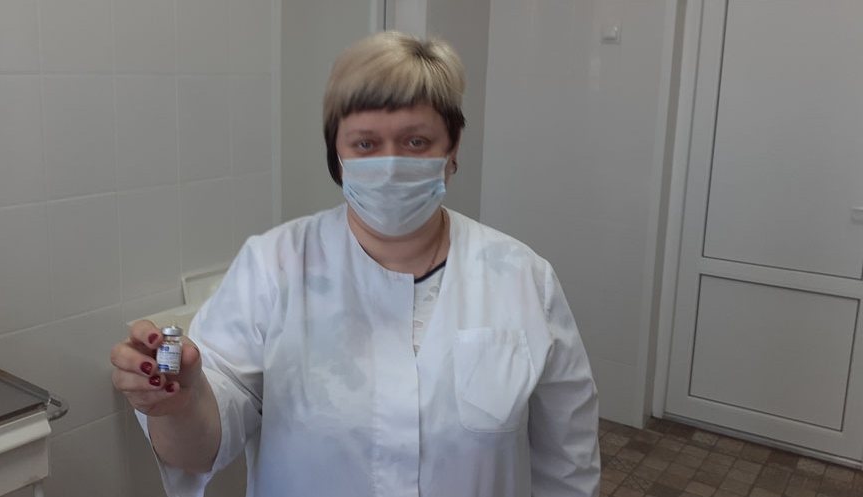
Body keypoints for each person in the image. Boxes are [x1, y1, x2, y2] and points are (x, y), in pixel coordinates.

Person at [110, 30, 600, 497]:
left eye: (416, 142)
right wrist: (178, 406)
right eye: (365, 144)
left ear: (452, 150)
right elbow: (200, 448)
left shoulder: (524, 279)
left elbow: (569, 463)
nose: (391, 164)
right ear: (337, 156)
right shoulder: (273, 266)